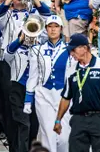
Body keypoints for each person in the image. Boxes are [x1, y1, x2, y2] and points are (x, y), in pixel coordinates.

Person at [53, 33, 100, 152]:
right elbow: (65, 98)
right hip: (78, 119)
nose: (71, 54)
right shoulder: (71, 70)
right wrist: (58, 120)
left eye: (73, 50)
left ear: (84, 48)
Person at [24, 15, 73, 152]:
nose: (53, 30)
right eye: (50, 26)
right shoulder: (36, 49)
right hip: (43, 95)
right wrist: (28, 99)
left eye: (56, 26)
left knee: (64, 136)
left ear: (61, 29)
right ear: (46, 29)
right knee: (47, 133)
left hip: (64, 96)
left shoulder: (69, 50)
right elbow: (33, 75)